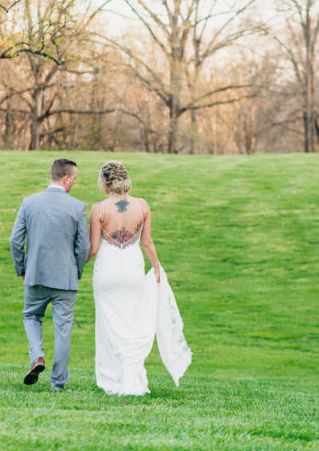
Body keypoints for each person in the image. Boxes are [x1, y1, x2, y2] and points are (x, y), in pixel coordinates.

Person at [88, 159, 191, 396]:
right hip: (133, 269)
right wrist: (156, 267)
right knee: (131, 323)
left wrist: (78, 265)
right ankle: (130, 375)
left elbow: (93, 249)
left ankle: (113, 379)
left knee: (109, 323)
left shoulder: (99, 209)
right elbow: (147, 243)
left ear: (105, 183)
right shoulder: (142, 206)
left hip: (108, 270)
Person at [10, 158, 90, 391]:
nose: (75, 183)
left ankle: (37, 355)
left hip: (35, 275)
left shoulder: (29, 203)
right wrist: (76, 271)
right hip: (65, 279)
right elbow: (82, 247)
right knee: (63, 329)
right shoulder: (77, 207)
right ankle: (58, 384)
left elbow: (15, 240)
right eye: (74, 178)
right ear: (65, 178)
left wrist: (22, 269)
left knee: (31, 316)